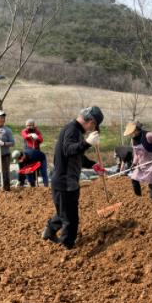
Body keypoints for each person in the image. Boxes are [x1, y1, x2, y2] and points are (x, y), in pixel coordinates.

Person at [42, 106, 106, 249]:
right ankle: (67, 247)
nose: (92, 129)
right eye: (94, 126)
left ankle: (49, 231)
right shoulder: (72, 130)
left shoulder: (76, 131)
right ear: (91, 121)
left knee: (64, 211)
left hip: (67, 182)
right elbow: (68, 150)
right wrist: (87, 143)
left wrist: (93, 165)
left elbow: (78, 157)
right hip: (64, 183)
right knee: (71, 219)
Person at [124, 121, 152, 199]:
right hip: (142, 163)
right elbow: (136, 154)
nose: (130, 134)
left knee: (151, 183)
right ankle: (139, 198)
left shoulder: (148, 135)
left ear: (136, 130)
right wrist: (134, 164)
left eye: (131, 132)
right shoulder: (133, 140)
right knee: (134, 179)